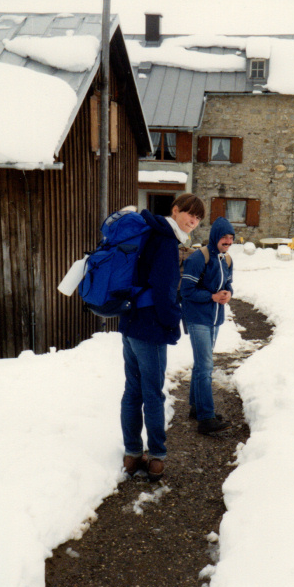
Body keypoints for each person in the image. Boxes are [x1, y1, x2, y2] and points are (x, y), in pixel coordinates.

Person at [119, 194, 205, 481]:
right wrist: (172, 322)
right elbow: (165, 290)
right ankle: (156, 457)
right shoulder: (167, 241)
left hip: (130, 323)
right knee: (152, 394)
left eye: (198, 218)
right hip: (150, 328)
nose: (193, 221)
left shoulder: (148, 231)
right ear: (175, 210)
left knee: (133, 391)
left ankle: (132, 454)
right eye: (189, 214)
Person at [180, 216, 235, 435]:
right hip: (198, 318)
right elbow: (186, 291)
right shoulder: (198, 258)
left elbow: (228, 283)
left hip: (214, 319)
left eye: (231, 238)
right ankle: (206, 417)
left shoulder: (227, 259)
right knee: (205, 367)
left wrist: (228, 293)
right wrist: (212, 296)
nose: (228, 241)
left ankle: (196, 407)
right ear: (215, 237)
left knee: (201, 365)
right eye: (224, 237)